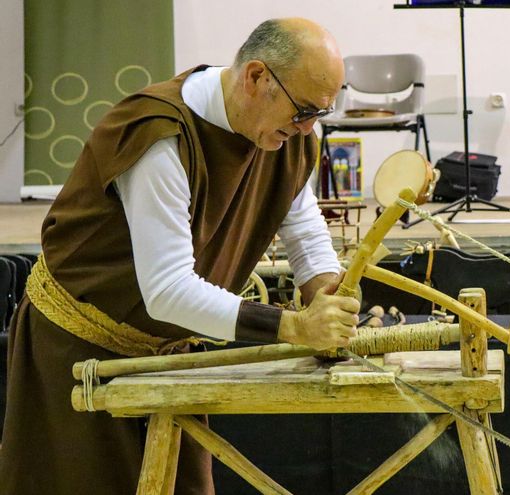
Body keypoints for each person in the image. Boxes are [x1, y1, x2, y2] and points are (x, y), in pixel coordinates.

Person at [0, 18, 359, 494]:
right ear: (256, 78)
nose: (308, 128)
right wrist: (293, 326)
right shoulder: (158, 136)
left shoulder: (282, 132)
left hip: (166, 352)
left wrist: (323, 287)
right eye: (304, 112)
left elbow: (301, 220)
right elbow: (167, 291)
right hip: (79, 350)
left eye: (320, 115)